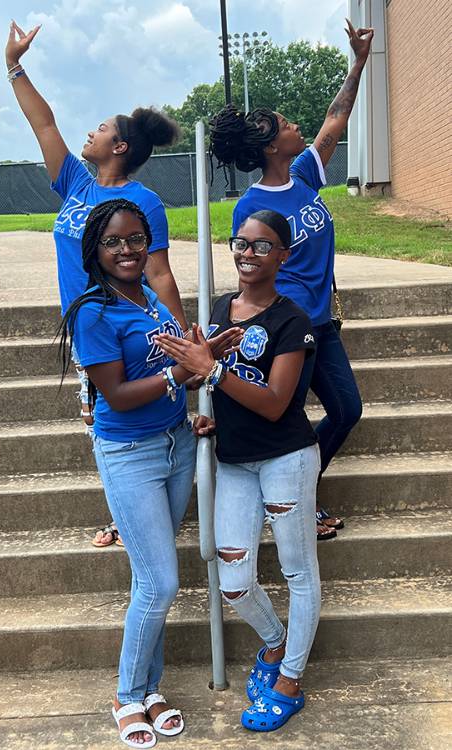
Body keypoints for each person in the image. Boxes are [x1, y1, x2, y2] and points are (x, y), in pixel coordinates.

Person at [59, 198, 242, 747]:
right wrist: (178, 372)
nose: (127, 250)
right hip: (129, 453)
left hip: (176, 444)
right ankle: (125, 694)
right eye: (114, 241)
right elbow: (115, 394)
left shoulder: (153, 301)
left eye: (136, 239)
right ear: (95, 249)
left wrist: (201, 361)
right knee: (161, 581)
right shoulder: (92, 311)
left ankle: (150, 687)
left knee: (151, 581)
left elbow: (175, 374)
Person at [5, 20, 188, 547]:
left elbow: (158, 273)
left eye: (102, 128)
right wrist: (14, 67)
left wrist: (183, 336)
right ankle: (127, 511)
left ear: (121, 145)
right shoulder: (76, 184)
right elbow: (45, 127)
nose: (91, 133)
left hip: (120, 325)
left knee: (111, 413)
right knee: (95, 416)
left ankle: (130, 516)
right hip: (86, 323)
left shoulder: (143, 202)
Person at [155, 210, 320, 734]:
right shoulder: (222, 309)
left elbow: (274, 404)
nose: (248, 254)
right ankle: (274, 643)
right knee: (233, 582)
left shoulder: (292, 321)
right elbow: (221, 387)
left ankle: (289, 680)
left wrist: (212, 370)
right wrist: (212, 409)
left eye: (262, 246)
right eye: (241, 244)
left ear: (284, 256)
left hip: (285, 459)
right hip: (234, 462)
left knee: (298, 571)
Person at [209, 19, 374, 540]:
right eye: (285, 124)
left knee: (346, 409)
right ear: (268, 144)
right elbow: (248, 270)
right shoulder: (251, 207)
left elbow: (336, 117)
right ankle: (291, 507)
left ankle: (300, 494)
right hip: (286, 330)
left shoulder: (304, 174)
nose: (296, 127)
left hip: (320, 324)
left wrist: (359, 61)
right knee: (287, 419)